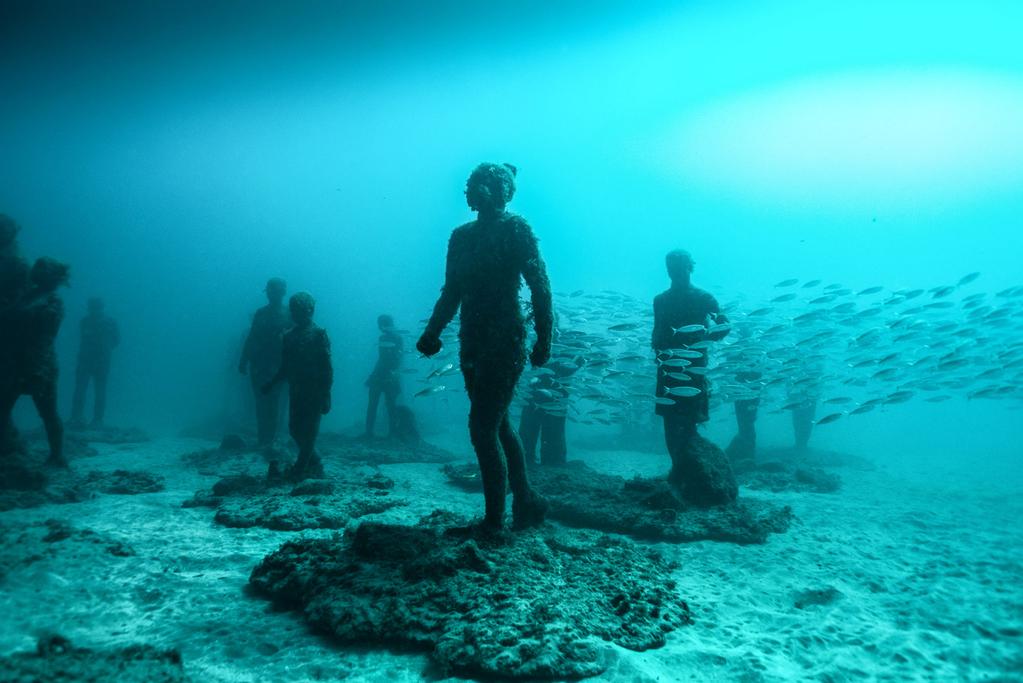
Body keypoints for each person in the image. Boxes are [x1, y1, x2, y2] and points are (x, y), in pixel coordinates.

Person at [417, 162, 553, 532]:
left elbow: (540, 286)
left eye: (489, 183)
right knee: (498, 423)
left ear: (505, 191)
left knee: (482, 428)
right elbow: (452, 291)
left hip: (504, 340)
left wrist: (544, 339)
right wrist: (433, 332)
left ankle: (494, 524)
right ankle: (526, 500)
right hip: (472, 341)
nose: (479, 188)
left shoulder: (516, 229)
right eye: (475, 182)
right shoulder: (460, 236)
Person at [652, 249, 731, 490]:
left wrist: (703, 339)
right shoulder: (660, 300)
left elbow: (724, 325)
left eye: (679, 265)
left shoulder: (704, 297)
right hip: (667, 366)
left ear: (689, 267)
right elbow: (656, 330)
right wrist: (657, 351)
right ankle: (678, 468)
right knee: (668, 417)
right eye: (670, 266)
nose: (674, 270)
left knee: (689, 418)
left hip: (694, 367)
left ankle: (690, 471)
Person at [0, 257, 70, 467]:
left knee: (48, 412)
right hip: (15, 363)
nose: (38, 271)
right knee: (3, 409)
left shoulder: (52, 301)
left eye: (44, 269)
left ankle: (57, 456)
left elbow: (47, 332)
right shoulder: (24, 297)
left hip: (40, 365)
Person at [262, 292, 332, 481]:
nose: (297, 314)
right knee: (294, 428)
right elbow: (285, 367)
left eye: (302, 310)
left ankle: (299, 469)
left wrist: (326, 394)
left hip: (315, 391)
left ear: (311, 311)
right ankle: (315, 462)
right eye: (294, 310)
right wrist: (272, 383)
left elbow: (327, 367)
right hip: (296, 390)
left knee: (310, 431)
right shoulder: (289, 336)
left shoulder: (318, 334)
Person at [239, 278, 291, 446]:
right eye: (269, 291)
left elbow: (295, 341)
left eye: (273, 291)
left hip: (278, 366)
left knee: (274, 403)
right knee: (262, 403)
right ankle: (264, 440)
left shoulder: (289, 314)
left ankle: (270, 439)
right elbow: (251, 337)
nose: (271, 294)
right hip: (260, 366)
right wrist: (243, 360)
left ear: (281, 293)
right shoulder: (261, 313)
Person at [519, 342, 583, 467]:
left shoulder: (566, 345)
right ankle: (548, 462)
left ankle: (535, 460)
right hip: (541, 396)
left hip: (550, 397)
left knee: (538, 431)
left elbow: (581, 360)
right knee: (539, 432)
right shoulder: (541, 344)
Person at [70, 298, 120, 428]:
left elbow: (116, 341)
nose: (94, 310)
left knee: (96, 391)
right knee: (83, 390)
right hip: (90, 361)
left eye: (96, 307)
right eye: (93, 307)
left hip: (97, 361)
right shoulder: (87, 321)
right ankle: (78, 417)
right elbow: (116, 341)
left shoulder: (103, 322)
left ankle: (96, 419)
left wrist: (103, 350)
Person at [364, 314, 403, 438]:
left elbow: (383, 359)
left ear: (382, 325)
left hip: (381, 375)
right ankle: (393, 433)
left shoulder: (383, 338)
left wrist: (373, 376)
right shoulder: (399, 338)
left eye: (379, 324)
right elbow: (397, 359)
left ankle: (369, 433)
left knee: (373, 405)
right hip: (390, 375)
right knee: (390, 405)